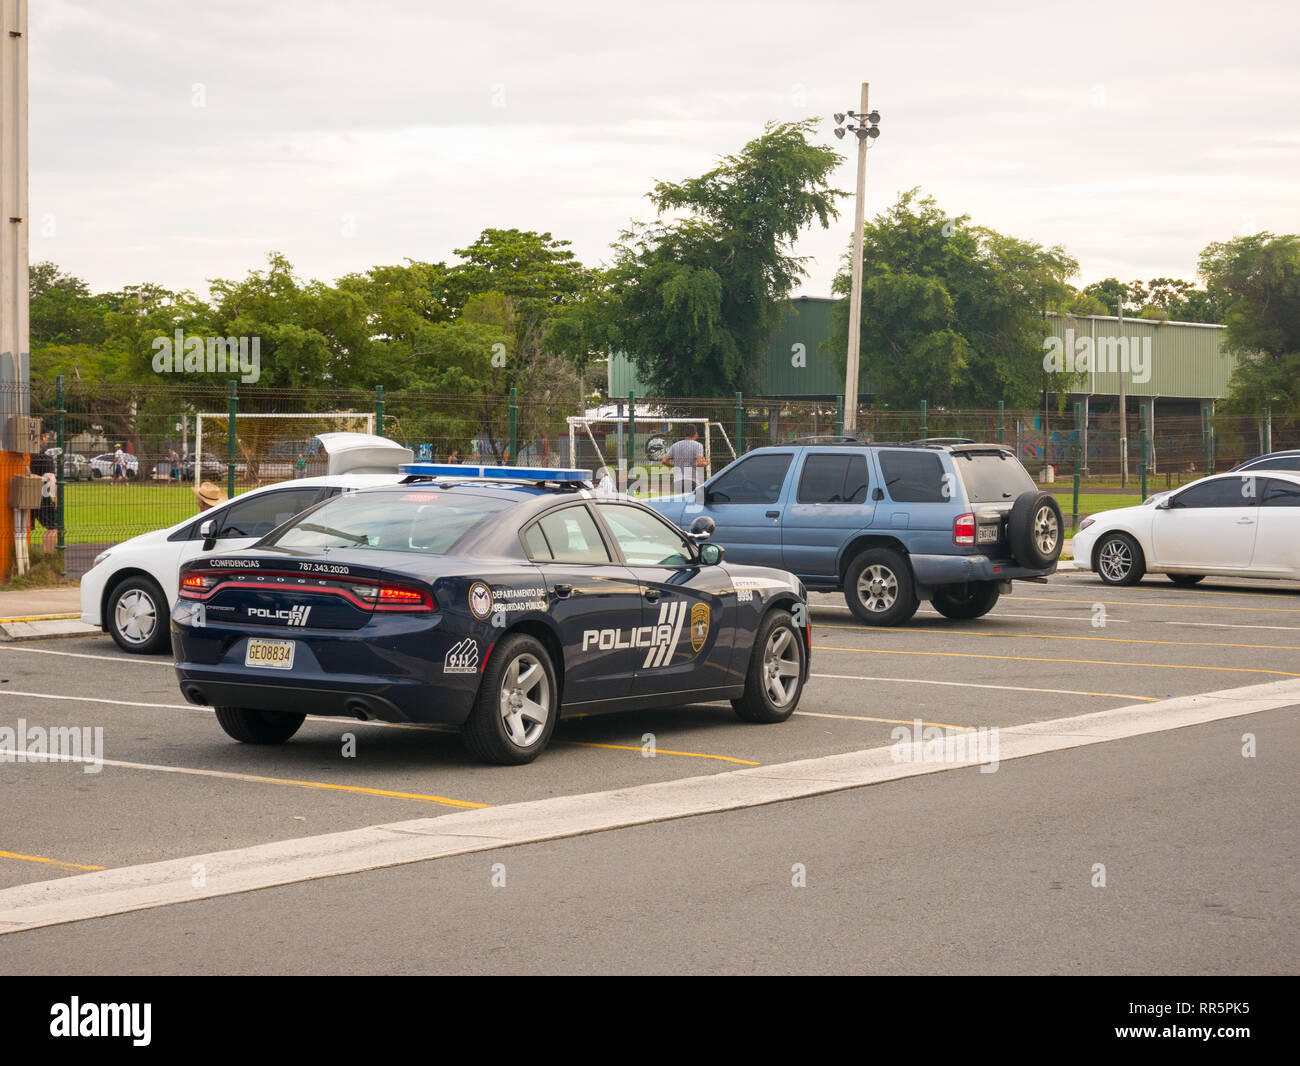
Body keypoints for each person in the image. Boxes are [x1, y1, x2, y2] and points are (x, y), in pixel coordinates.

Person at [30, 432, 60, 555]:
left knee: (22, 528)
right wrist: (56, 497)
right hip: (43, 495)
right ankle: (47, 556)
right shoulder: (45, 455)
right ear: (42, 436)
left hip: (25, 493)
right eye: (47, 436)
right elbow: (51, 478)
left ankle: (21, 557)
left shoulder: (26, 454)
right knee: (53, 527)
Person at [662, 424, 707, 495]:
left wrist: (674, 465)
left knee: (681, 503)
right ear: (695, 434)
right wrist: (706, 463)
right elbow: (700, 463)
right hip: (691, 480)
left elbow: (664, 461)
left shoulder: (675, 445)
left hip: (677, 481)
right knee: (693, 504)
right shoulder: (698, 445)